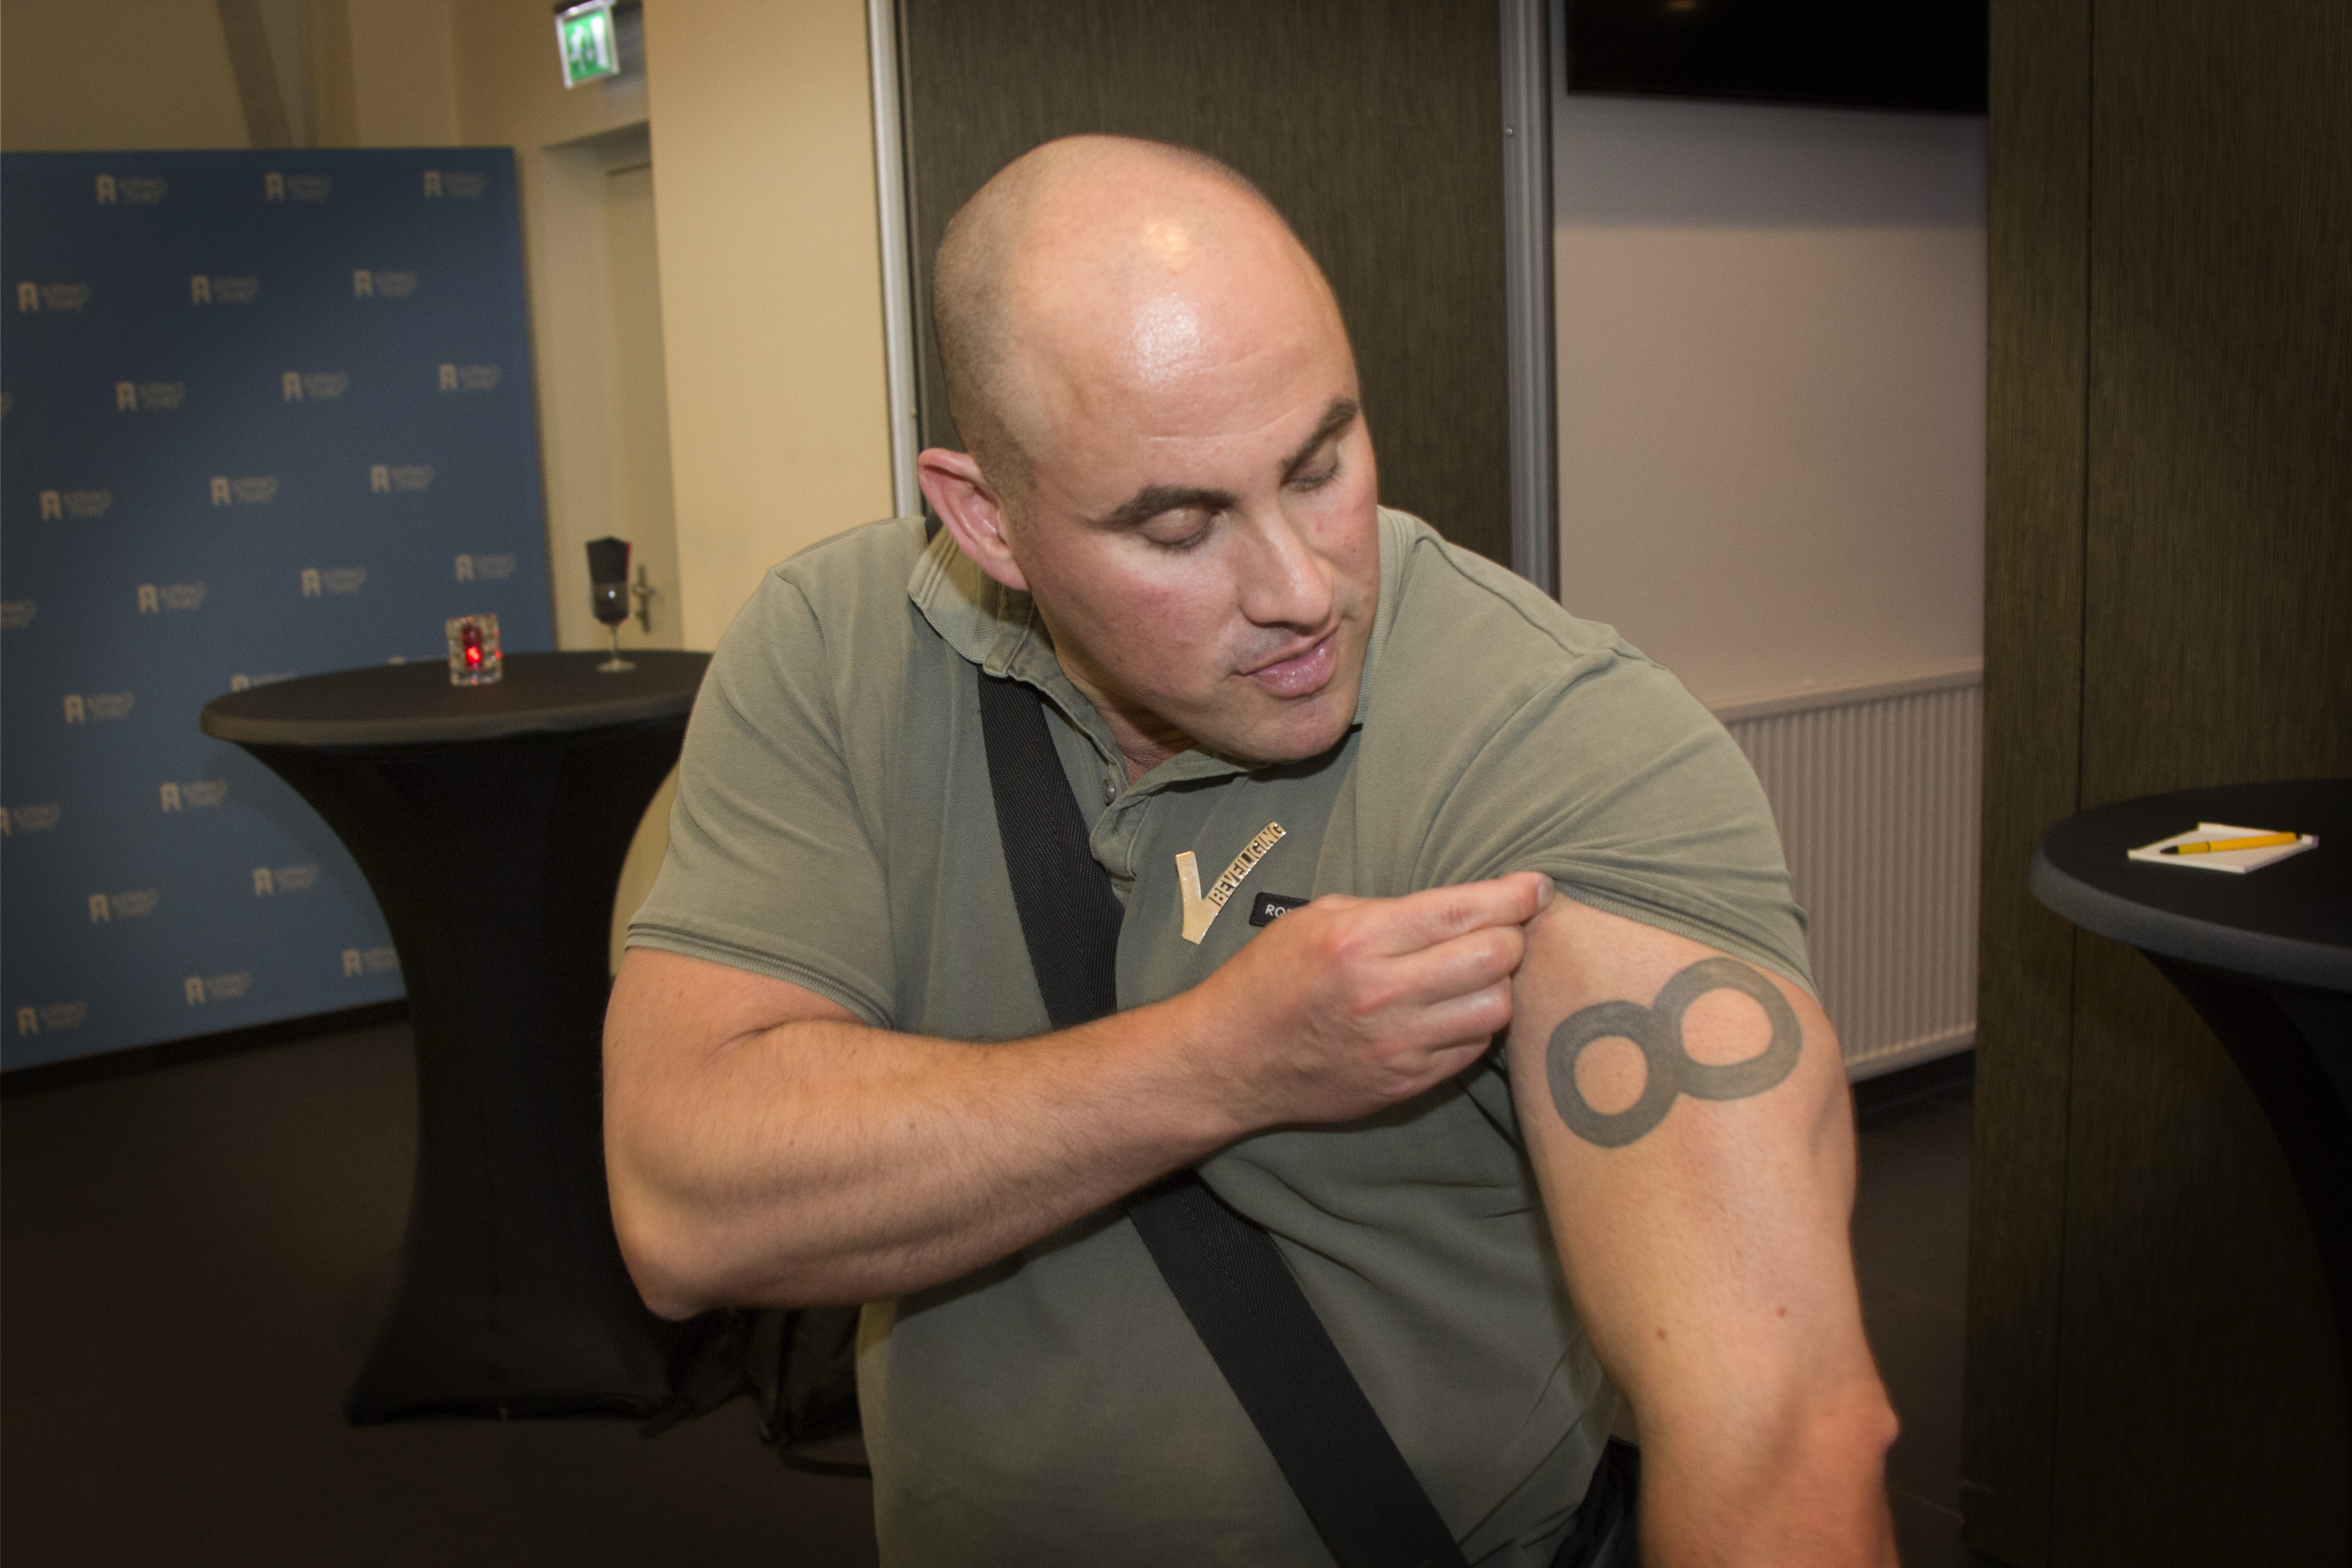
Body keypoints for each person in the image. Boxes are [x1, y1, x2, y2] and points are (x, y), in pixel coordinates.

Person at [603, 135, 1899, 1567]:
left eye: (1320, 465)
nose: (1302, 590)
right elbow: (683, 1209)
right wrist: (1220, 1063)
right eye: (1179, 526)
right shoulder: (834, 650)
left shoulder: (1555, 736)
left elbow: (1775, 1425)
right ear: (989, 520)